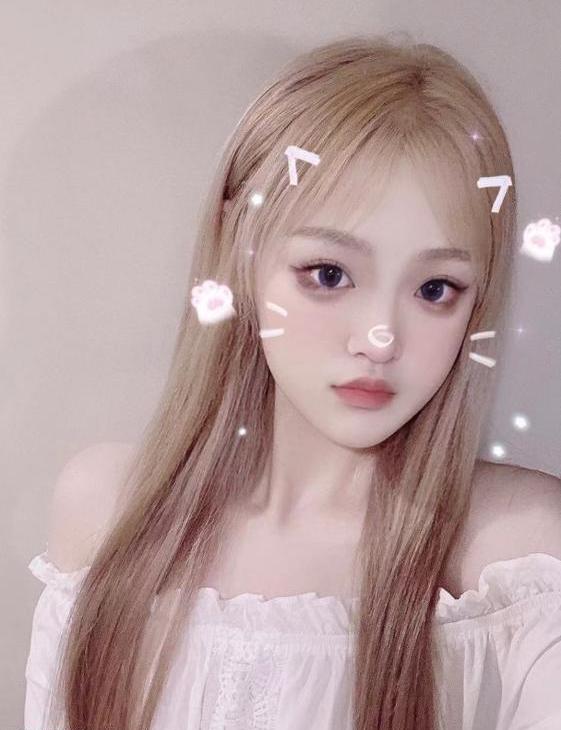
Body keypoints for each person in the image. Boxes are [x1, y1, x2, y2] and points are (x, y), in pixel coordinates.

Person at [24, 32, 561, 730]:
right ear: (239, 252)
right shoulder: (107, 514)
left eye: (435, 289)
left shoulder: (510, 563)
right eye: (329, 275)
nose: (379, 338)